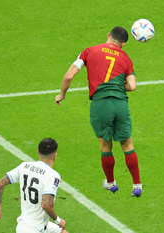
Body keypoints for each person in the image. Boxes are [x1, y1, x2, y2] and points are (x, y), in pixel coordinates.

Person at [54, 26, 142, 197]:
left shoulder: (88, 52)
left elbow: (69, 76)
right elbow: (132, 86)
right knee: (128, 145)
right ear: (122, 44)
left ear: (108, 35)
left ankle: (111, 183)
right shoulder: (126, 58)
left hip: (101, 104)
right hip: (120, 104)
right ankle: (137, 185)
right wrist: (117, 86)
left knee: (106, 146)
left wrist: (61, 95)